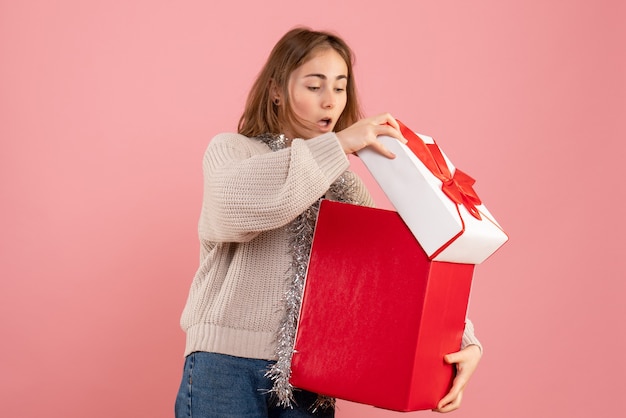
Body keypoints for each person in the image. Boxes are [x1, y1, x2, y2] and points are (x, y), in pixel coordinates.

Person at [175, 27, 482, 418]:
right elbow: (242, 207)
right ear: (276, 90)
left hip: (312, 375)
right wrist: (339, 145)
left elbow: (393, 270)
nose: (330, 102)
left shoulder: (342, 183)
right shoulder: (232, 150)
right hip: (225, 367)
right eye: (315, 86)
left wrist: (464, 340)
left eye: (339, 88)